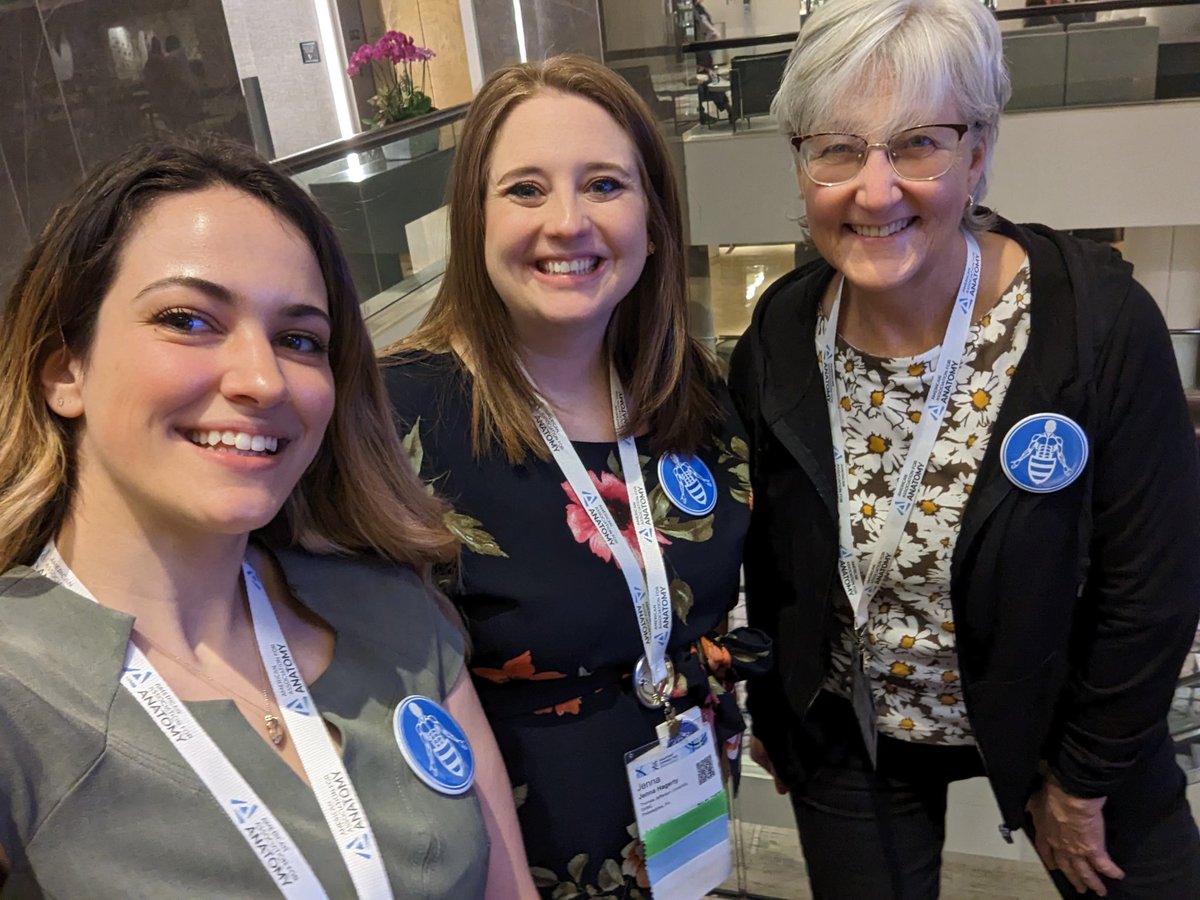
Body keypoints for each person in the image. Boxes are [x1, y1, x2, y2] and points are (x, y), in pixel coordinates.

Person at [727, 0, 1200, 897]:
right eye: (835, 147)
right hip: (854, 721)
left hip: (1068, 710)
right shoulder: (784, 328)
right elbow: (770, 545)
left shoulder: (1092, 324)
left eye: (917, 144)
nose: (874, 190)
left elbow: (1154, 582)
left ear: (978, 151)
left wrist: (1084, 777)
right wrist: (776, 706)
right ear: (800, 165)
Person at [0, 136, 536, 898]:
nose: (262, 378)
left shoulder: (399, 618)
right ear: (65, 369)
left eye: (298, 339)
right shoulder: (19, 693)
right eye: (188, 320)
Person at [383, 55, 763, 897]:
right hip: (505, 861)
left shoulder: (689, 393)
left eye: (604, 185)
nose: (568, 222)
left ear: (655, 221)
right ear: (472, 221)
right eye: (524, 189)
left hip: (680, 817)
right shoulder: (393, 419)